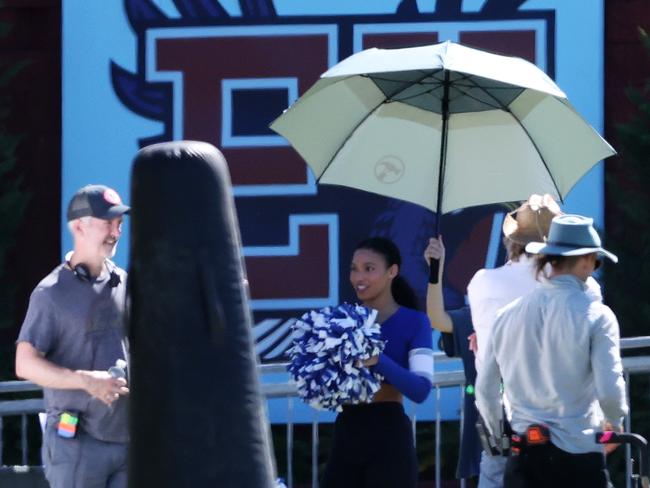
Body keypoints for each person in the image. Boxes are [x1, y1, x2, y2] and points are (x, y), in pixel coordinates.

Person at [475, 214, 628, 487]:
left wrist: (500, 435)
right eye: (596, 260)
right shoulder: (597, 315)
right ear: (585, 260)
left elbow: (485, 389)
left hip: (524, 453)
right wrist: (614, 422)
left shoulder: (506, 315)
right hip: (578, 451)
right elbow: (609, 388)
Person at [15, 184, 130, 488]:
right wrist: (86, 381)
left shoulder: (124, 283)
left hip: (128, 441)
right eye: (108, 222)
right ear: (79, 226)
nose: (115, 231)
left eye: (119, 223)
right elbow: (24, 365)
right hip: (77, 444)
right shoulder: (50, 293)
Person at [466, 194, 582, 487]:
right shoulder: (582, 286)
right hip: (564, 411)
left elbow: (486, 342)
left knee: (494, 475)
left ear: (512, 241)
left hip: (503, 409)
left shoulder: (482, 282)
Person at [321, 237, 434, 488]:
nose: (358, 277)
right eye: (354, 268)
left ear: (392, 271)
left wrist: (377, 359)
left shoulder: (416, 322)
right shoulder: (341, 321)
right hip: (347, 432)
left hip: (389, 435)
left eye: (369, 269)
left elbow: (421, 390)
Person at [424, 236, 482, 480]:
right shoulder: (484, 309)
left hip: (540, 428)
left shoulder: (545, 306)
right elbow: (437, 318)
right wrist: (436, 270)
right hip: (491, 432)